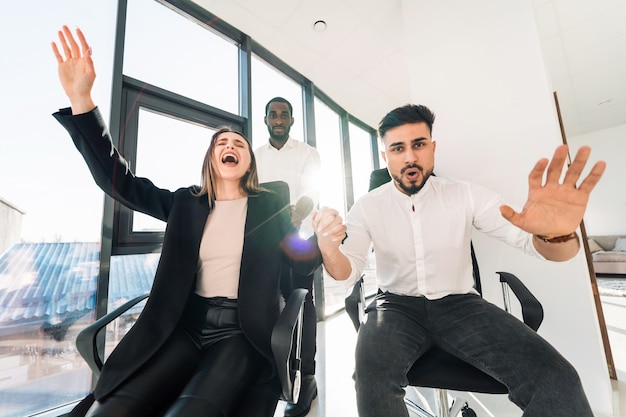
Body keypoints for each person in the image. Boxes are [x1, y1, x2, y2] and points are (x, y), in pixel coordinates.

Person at [51, 26, 332, 417]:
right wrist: (82, 100)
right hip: (182, 326)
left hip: (240, 332)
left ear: (250, 163)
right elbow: (121, 184)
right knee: (110, 409)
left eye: (239, 144)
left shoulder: (270, 210)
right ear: (211, 161)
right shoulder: (186, 203)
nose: (231, 145)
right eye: (221, 143)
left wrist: (325, 239)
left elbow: (302, 261)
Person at [312, 104, 606, 417]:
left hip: (462, 306)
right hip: (394, 308)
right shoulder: (368, 206)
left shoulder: (464, 194)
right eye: (398, 148)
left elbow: (532, 243)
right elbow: (347, 272)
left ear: (432, 148)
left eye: (419, 144)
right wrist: (330, 250)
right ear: (386, 157)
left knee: (557, 378)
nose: (410, 157)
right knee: (372, 380)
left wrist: (556, 235)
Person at [254, 97, 322, 417]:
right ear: (265, 119)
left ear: (292, 120)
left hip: (300, 239)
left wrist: (297, 213)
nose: (278, 119)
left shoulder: (308, 154)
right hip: (267, 242)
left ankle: (306, 377)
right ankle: (277, 376)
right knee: (272, 307)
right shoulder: (255, 157)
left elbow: (312, 192)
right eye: (273, 114)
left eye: (284, 115)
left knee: (303, 304)